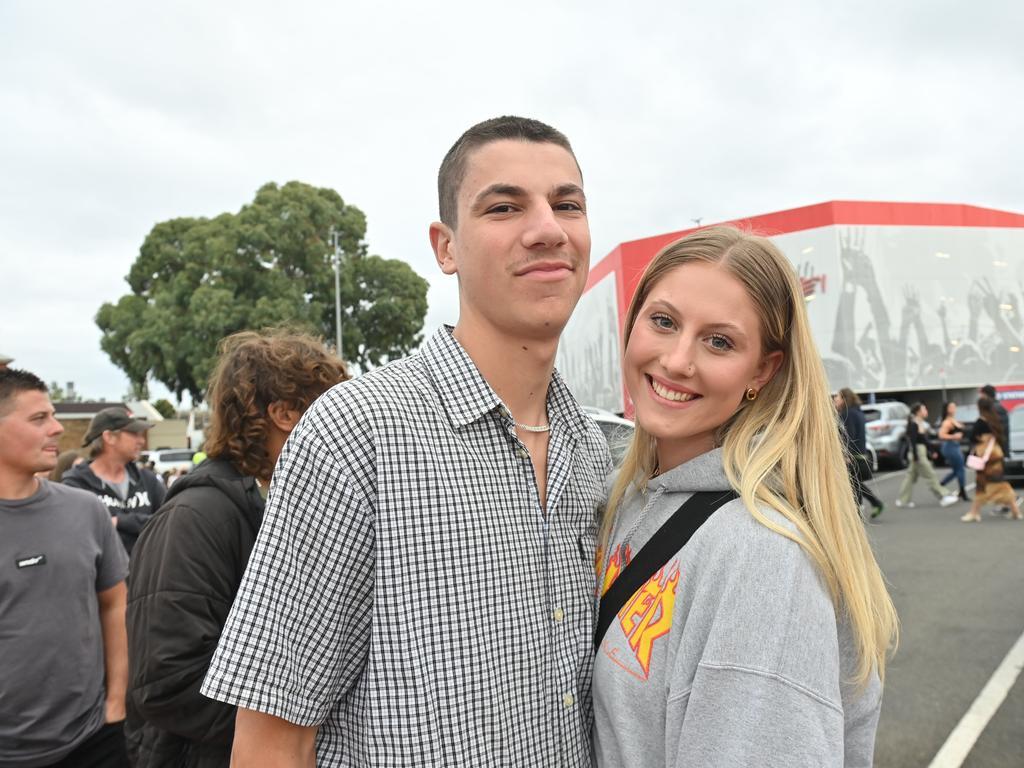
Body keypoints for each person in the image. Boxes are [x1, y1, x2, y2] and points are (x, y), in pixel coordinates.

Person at [201, 116, 610, 766]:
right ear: (445, 248)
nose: (547, 228)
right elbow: (274, 737)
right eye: (504, 206)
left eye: (567, 204)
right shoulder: (356, 433)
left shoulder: (588, 448)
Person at [592, 227, 898, 767]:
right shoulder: (635, 497)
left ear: (763, 370)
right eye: (663, 322)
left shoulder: (761, 555)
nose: (677, 361)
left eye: (719, 341)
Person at [125, 330, 348, 766]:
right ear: (284, 413)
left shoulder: (281, 500)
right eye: (332, 411)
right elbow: (167, 680)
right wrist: (293, 733)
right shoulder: (196, 518)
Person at [0, 369, 130, 766]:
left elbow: (115, 605)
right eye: (39, 419)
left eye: (53, 415)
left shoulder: (85, 509)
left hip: (92, 741)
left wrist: (116, 704)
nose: (56, 428)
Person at [63, 406, 166, 554]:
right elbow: (82, 532)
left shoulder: (148, 481)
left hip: (147, 574)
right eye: (134, 433)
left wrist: (121, 522)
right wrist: (142, 524)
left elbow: (168, 523)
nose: (141, 441)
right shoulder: (76, 485)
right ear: (109, 437)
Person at [959, 395, 1022, 522]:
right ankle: (1015, 511)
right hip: (996, 453)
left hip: (985, 455)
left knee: (982, 483)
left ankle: (974, 513)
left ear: (980, 407)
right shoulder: (995, 420)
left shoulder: (981, 421)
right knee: (998, 482)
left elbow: (972, 437)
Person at [895, 403, 960, 509]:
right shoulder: (914, 423)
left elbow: (924, 441)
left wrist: (931, 451)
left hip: (920, 452)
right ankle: (943, 496)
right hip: (917, 453)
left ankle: (902, 500)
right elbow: (913, 441)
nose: (926, 411)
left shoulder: (920, 423)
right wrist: (916, 456)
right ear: (918, 412)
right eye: (924, 409)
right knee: (930, 475)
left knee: (910, 478)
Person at [834, 387, 885, 518]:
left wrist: (846, 454)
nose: (835, 399)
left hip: (852, 456)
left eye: (837, 397)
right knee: (855, 483)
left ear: (844, 399)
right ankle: (867, 506)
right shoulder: (858, 412)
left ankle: (862, 509)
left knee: (852, 483)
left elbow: (849, 436)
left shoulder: (847, 414)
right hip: (861, 454)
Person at [937, 401, 969, 501]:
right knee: (960, 469)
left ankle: (941, 484)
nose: (954, 409)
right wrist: (953, 436)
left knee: (957, 470)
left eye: (955, 407)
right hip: (950, 446)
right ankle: (962, 491)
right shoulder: (947, 422)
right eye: (951, 407)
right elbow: (941, 435)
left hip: (955, 446)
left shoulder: (953, 420)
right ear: (947, 409)